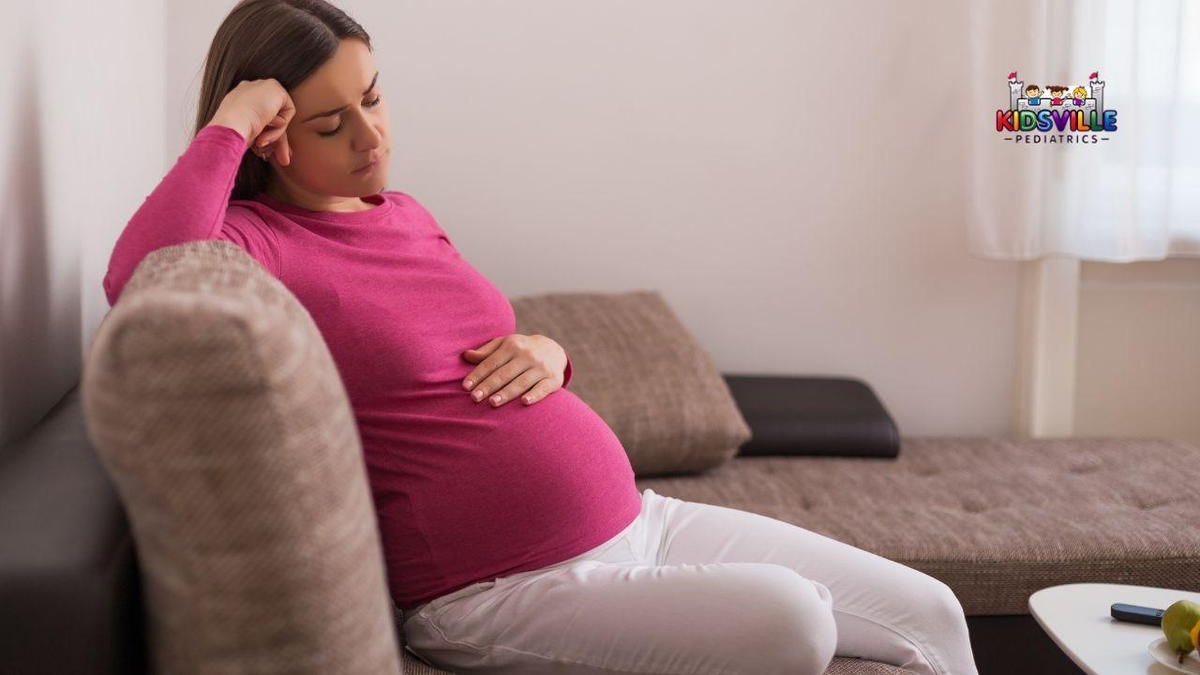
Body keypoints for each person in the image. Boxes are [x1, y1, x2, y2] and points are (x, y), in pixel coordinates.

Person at [103, 1, 980, 673]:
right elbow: (140, 275)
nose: (372, 136)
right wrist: (232, 113)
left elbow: (464, 346)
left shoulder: (402, 214)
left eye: (373, 98)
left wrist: (552, 351)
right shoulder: (257, 242)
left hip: (641, 520)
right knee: (799, 620)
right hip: (498, 587)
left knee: (935, 609)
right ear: (272, 137)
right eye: (332, 123)